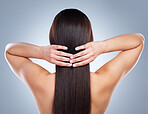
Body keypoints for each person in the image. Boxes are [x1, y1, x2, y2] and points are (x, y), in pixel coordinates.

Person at [4, 8, 144, 114]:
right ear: (89, 39)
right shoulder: (103, 80)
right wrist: (102, 47)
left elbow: (10, 51)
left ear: (53, 39)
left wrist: (40, 52)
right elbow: (138, 41)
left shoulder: (42, 82)